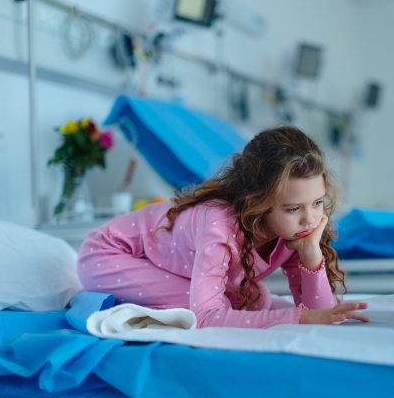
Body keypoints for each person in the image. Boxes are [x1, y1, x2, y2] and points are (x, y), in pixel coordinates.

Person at [77, 125, 369, 328]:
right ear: (259, 202)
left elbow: (323, 315)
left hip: (160, 264)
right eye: (293, 208)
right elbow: (206, 318)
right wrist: (297, 317)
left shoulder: (295, 231)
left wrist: (311, 255)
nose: (310, 219)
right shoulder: (220, 225)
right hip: (107, 255)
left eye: (317, 203)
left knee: (255, 301)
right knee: (247, 304)